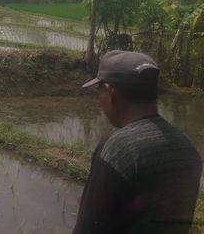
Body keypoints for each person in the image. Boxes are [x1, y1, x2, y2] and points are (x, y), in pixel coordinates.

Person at [74, 50, 202, 234]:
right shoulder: (187, 148)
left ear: (111, 93)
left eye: (98, 90)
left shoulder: (118, 149)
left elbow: (88, 228)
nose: (98, 100)